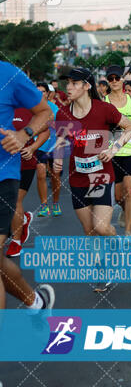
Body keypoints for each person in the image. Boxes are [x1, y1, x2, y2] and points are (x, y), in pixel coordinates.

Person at [53, 67, 131, 292]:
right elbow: (61, 141)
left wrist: (114, 148)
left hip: (102, 175)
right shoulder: (63, 113)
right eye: (67, 83)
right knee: (89, 230)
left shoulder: (104, 109)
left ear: (86, 86)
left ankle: (115, 244)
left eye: (74, 83)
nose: (68, 87)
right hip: (78, 177)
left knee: (101, 227)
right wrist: (57, 159)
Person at [0, 60, 55, 309]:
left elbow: (45, 112)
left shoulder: (8, 74)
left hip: (3, 175)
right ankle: (35, 303)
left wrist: (24, 134)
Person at [104, 66, 131, 235]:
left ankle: (128, 231)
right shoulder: (104, 101)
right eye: (110, 79)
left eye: (117, 78)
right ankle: (124, 210)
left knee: (130, 190)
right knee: (117, 196)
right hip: (112, 152)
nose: (114, 81)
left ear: (122, 79)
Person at [6, 109, 50, 257]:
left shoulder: (29, 110)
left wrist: (32, 147)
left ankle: (16, 242)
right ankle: (23, 219)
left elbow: (45, 132)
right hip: (3, 164)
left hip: (24, 164)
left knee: (14, 200)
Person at [35, 83, 62, 217]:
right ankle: (44, 205)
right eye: (37, 91)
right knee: (40, 174)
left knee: (55, 175)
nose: (40, 94)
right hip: (38, 145)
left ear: (48, 93)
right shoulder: (31, 108)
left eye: (43, 92)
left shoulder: (54, 108)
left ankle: (56, 203)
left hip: (53, 145)